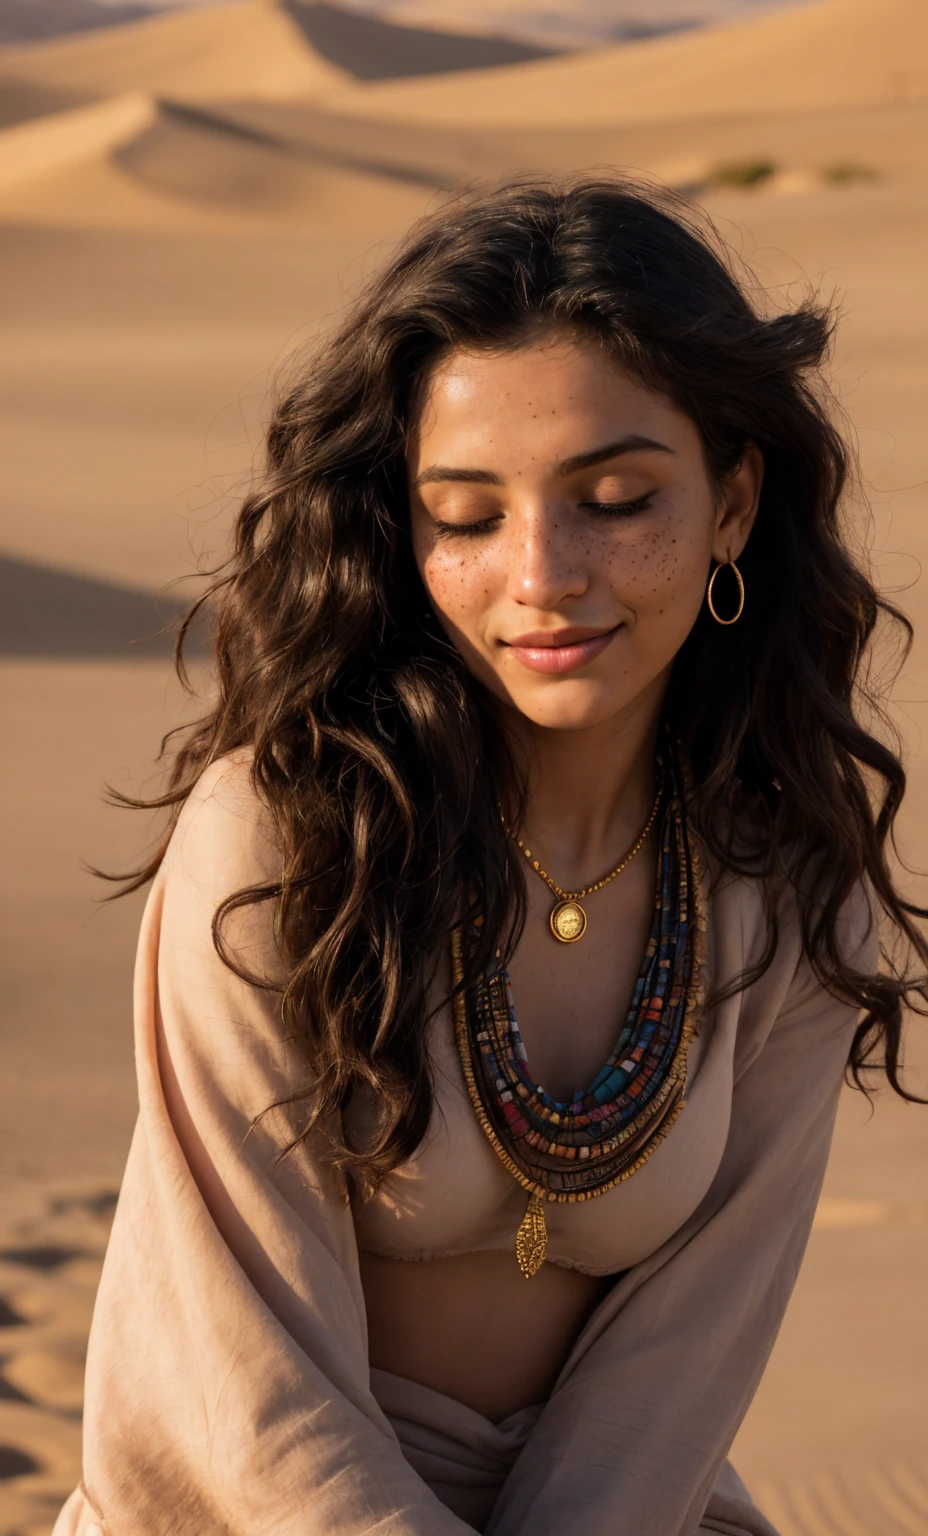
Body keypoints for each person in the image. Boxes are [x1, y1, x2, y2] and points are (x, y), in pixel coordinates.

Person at [55, 177, 925, 1536]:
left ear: (735, 506)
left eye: (618, 497)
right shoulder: (286, 837)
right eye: (466, 517)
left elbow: (686, 1363)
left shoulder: (789, 889)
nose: (544, 572)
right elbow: (239, 1379)